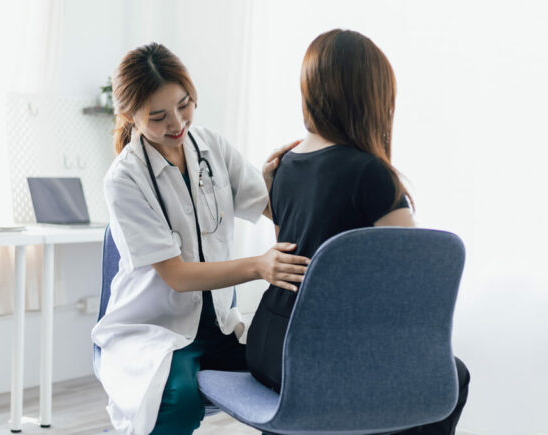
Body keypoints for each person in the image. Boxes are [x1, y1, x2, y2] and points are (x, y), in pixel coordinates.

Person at [245, 29, 471, 434]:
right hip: (313, 356)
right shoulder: (370, 173)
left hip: (267, 345)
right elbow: (419, 273)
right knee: (450, 375)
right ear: (371, 97)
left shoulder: (282, 166)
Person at [91, 42, 309, 435]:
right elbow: (177, 275)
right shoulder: (125, 179)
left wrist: (284, 184)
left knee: (292, 379)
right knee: (178, 398)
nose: (176, 122)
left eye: (185, 104)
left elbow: (269, 207)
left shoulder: (213, 147)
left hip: (220, 326)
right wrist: (260, 266)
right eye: (158, 116)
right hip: (158, 329)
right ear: (129, 116)